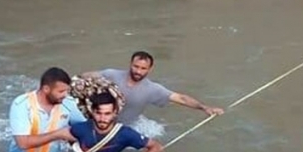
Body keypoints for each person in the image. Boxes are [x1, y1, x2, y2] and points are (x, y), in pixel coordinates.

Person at [83, 51, 224, 127]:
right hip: (98, 121)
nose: (138, 71)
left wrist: (204, 107)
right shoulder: (111, 75)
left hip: (123, 128)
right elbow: (86, 77)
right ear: (130, 64)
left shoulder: (152, 89)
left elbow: (180, 98)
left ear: (150, 69)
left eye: (143, 68)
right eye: (136, 66)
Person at [6, 67, 85, 152]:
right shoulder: (21, 105)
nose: (65, 95)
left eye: (67, 91)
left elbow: (83, 129)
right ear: (46, 89)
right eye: (61, 91)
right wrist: (59, 134)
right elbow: (23, 142)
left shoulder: (67, 103)